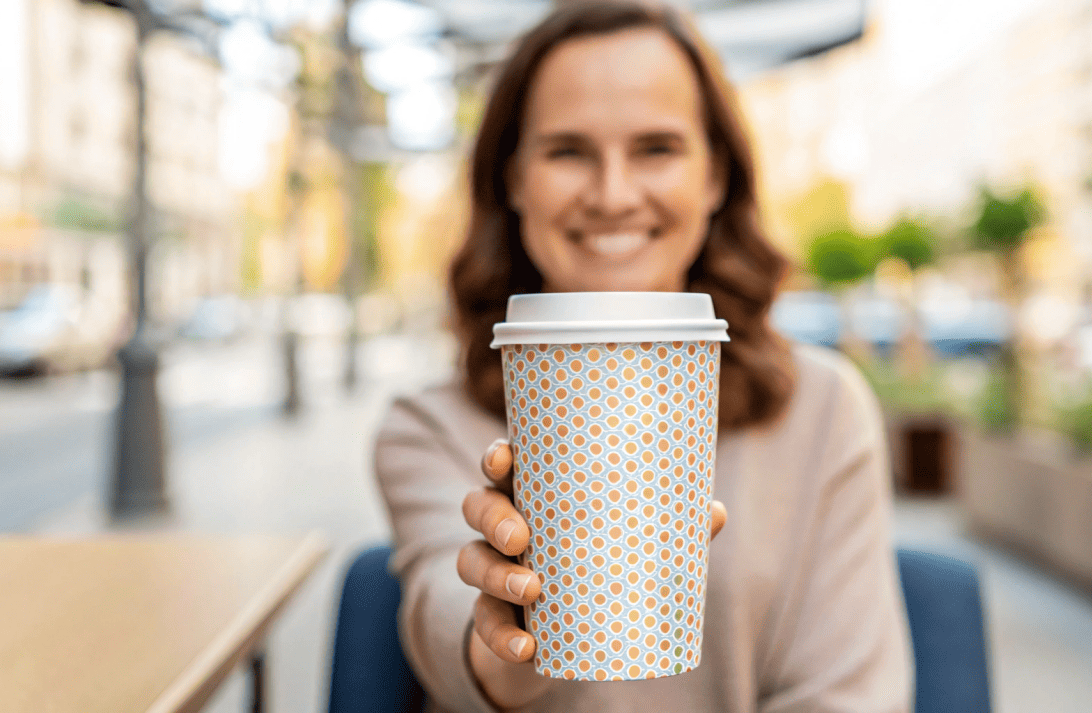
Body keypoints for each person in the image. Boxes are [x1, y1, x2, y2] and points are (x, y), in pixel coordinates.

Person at [373, 2, 913, 711]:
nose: (613, 194)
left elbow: (846, 695)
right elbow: (444, 621)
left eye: (656, 148)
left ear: (715, 176)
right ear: (512, 179)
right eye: (568, 150)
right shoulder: (428, 426)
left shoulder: (825, 411)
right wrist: (507, 634)